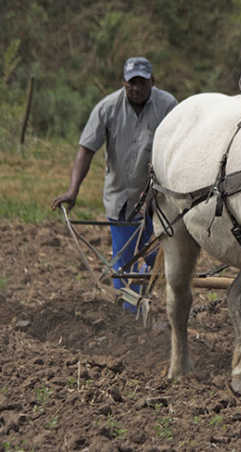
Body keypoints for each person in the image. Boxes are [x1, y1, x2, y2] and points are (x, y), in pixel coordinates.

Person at [51, 57, 178, 311]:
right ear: (124, 83)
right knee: (124, 260)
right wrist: (72, 191)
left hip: (160, 198)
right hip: (122, 197)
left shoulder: (168, 106)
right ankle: (127, 316)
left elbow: (180, 148)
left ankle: (138, 296)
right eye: (132, 83)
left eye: (142, 83)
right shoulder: (107, 108)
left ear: (153, 82)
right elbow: (86, 150)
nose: (137, 88)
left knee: (159, 255)